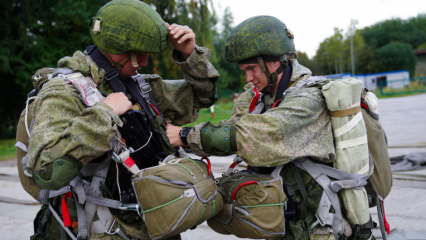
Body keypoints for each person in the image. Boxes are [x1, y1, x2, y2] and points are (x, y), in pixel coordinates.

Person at [25, 0, 219, 239]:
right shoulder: (63, 93)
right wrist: (103, 115)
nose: (146, 62)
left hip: (156, 223)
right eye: (140, 54)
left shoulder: (140, 86)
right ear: (117, 48)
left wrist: (190, 55)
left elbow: (203, 96)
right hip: (102, 230)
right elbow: (47, 173)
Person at [167, 16, 348, 240]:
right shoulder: (262, 97)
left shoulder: (309, 98)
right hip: (284, 221)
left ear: (276, 61)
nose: (249, 77)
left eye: (252, 68)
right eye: (244, 70)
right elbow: (232, 125)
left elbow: (254, 135)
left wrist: (186, 135)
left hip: (318, 225)